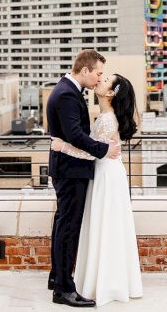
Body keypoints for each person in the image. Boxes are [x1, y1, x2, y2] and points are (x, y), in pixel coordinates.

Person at [51, 73, 143, 307]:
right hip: (109, 172)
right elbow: (97, 148)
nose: (100, 80)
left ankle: (101, 281)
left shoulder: (106, 120)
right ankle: (106, 279)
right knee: (108, 226)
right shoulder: (106, 117)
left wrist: (61, 146)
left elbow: (90, 151)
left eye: (105, 80)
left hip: (105, 174)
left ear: (111, 93)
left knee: (103, 226)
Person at [47, 50, 121, 308]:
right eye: (98, 73)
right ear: (86, 70)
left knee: (62, 225)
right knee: (68, 229)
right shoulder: (67, 94)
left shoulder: (66, 89)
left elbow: (70, 136)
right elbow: (75, 135)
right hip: (71, 170)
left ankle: (57, 277)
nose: (99, 77)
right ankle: (64, 290)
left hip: (68, 169)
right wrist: (104, 150)